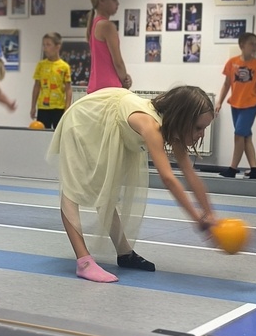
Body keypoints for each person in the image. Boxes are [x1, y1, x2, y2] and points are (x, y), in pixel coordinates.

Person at [49, 86, 217, 283]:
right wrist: (198, 219)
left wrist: (210, 214)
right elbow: (168, 178)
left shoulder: (173, 129)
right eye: (198, 128)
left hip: (109, 121)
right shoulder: (150, 126)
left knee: (106, 189)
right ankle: (83, 262)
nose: (202, 135)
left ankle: (124, 253)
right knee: (72, 188)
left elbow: (189, 173)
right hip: (85, 120)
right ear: (182, 119)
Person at [214, 32, 256, 179]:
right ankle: (254, 169)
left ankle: (232, 168)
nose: (254, 46)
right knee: (246, 136)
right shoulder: (232, 62)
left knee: (238, 135)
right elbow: (226, 84)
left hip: (250, 105)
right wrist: (219, 101)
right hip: (235, 104)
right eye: (251, 43)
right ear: (242, 45)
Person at [86, 0, 131, 92]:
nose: (118, 3)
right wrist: (125, 80)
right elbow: (118, 62)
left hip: (95, 88)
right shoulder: (107, 26)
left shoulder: (94, 24)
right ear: (101, 0)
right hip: (110, 87)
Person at [31, 32, 72, 130]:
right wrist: (33, 106)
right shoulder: (41, 65)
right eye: (44, 45)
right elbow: (37, 86)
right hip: (43, 107)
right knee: (42, 133)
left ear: (57, 47)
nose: (45, 48)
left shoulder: (64, 67)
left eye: (48, 45)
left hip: (58, 107)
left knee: (59, 133)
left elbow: (68, 89)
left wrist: (67, 107)